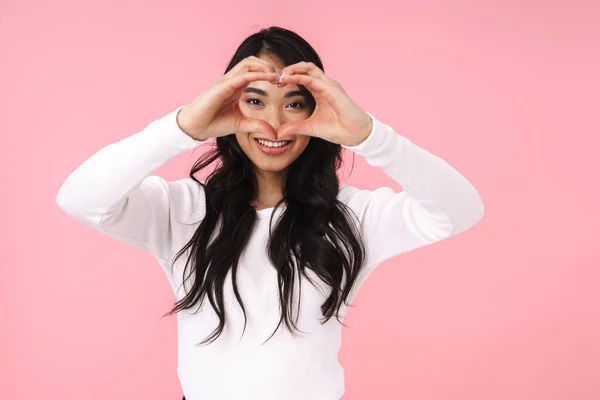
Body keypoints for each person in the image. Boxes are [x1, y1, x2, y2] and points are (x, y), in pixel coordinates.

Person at [56, 26, 484, 400]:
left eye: (294, 104)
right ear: (227, 108)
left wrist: (370, 137)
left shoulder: (352, 216)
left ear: (316, 110)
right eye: (255, 102)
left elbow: (459, 210)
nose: (275, 124)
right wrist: (182, 128)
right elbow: (80, 198)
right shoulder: (182, 209)